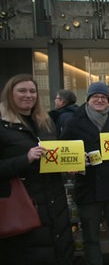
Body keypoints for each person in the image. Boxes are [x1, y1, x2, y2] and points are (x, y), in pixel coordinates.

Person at [0, 74, 74, 265]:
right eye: (22, 91)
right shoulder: (3, 126)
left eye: (32, 91)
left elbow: (52, 157)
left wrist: (69, 166)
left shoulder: (45, 121)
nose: (28, 95)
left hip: (54, 202)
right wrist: (25, 159)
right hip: (22, 206)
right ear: (10, 94)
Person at [61, 82, 109, 265]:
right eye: (95, 97)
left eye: (103, 97)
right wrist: (73, 161)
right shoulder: (74, 122)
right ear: (88, 99)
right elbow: (63, 150)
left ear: (108, 100)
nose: (99, 100)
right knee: (91, 237)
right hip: (88, 187)